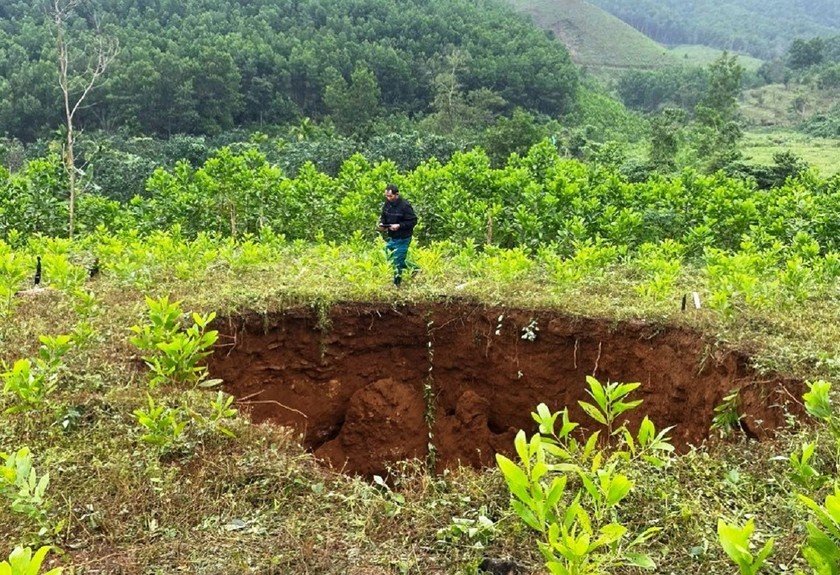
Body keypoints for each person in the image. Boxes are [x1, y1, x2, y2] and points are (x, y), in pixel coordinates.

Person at [377, 183, 419, 286]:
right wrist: (382, 224)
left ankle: (397, 285)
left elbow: (413, 221)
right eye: (386, 196)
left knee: (397, 262)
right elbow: (384, 216)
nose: (388, 198)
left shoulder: (405, 206)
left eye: (390, 196)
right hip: (393, 237)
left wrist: (399, 225)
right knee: (388, 256)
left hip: (403, 237)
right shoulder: (387, 204)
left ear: (396, 195)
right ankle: (414, 268)